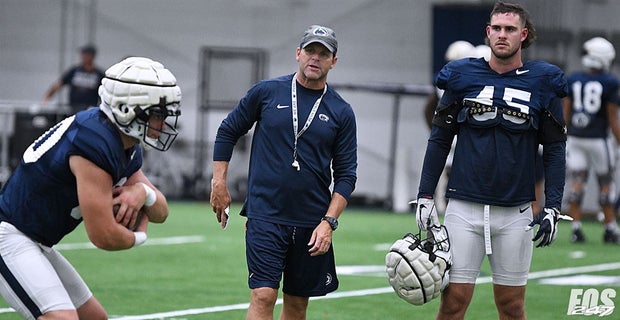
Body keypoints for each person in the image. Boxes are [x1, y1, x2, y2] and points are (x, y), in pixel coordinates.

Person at [414, 2, 571, 319]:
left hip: (515, 211)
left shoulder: (543, 81)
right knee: (454, 302)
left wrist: (553, 204)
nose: (502, 35)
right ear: (487, 32)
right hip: (463, 207)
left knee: (512, 306)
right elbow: (440, 138)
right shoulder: (462, 76)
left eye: (510, 29)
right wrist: (425, 194)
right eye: (497, 28)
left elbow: (555, 149)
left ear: (523, 35)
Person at [0, 57, 181, 319]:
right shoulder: (94, 142)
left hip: (37, 240)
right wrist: (140, 236)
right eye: (157, 114)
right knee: (62, 318)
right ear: (127, 109)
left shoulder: (123, 143)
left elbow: (161, 212)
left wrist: (143, 193)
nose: (163, 124)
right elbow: (103, 235)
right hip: (10, 236)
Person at [210, 25, 357, 320]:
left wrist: (329, 222)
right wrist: (219, 182)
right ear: (298, 54)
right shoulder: (267, 92)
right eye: (311, 51)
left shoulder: (341, 111)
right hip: (266, 214)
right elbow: (228, 130)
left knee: (297, 304)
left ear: (334, 61)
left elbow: (346, 174)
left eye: (323, 53)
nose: (315, 58)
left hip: (312, 221)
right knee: (263, 295)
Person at [563, 36, 620, 244]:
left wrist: (564, 135)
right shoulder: (610, 82)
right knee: (605, 184)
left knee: (578, 181)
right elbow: (612, 117)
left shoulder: (573, 79)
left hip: (576, 137)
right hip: (598, 139)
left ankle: (576, 228)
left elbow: (565, 112)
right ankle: (610, 228)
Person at [42, 44, 106, 115]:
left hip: (90, 109)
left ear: (92, 56)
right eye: (82, 54)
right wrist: (47, 98)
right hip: (73, 108)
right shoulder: (74, 71)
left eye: (85, 54)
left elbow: (104, 92)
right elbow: (59, 84)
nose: (83, 57)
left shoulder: (99, 74)